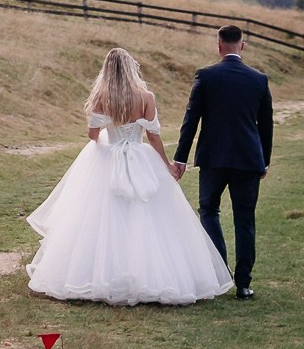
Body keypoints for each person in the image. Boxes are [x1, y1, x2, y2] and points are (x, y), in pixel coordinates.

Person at [26, 48, 234, 305]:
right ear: (130, 68)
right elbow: (153, 136)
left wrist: (108, 134)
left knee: (99, 216)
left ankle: (98, 275)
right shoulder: (146, 97)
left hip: (108, 156)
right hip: (140, 157)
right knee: (147, 214)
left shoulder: (101, 97)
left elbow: (93, 135)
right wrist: (167, 164)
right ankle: (154, 276)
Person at [171, 25, 275, 299]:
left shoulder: (206, 76)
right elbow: (266, 126)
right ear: (243, 46)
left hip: (213, 158)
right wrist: (264, 161)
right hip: (248, 159)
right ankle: (243, 284)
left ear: (219, 46)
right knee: (245, 218)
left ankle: (220, 273)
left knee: (208, 210)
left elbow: (191, 119)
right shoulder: (259, 79)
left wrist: (180, 157)